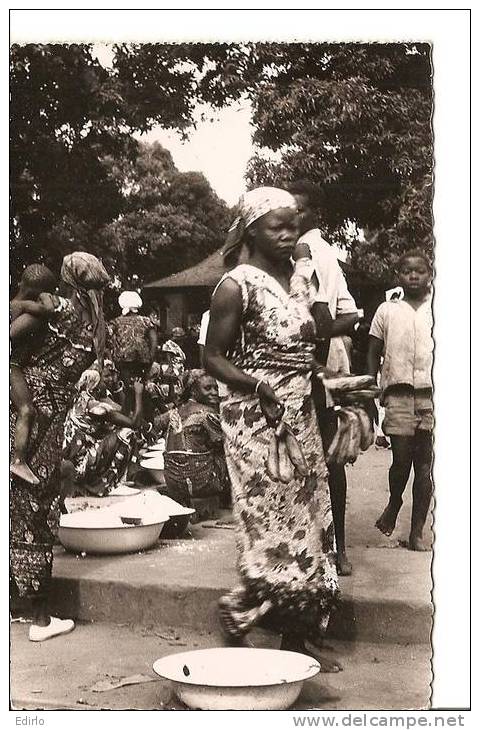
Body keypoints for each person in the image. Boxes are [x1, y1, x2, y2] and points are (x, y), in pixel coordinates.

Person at [204, 187, 341, 670]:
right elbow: (212, 357)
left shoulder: (298, 279)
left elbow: (311, 339)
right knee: (269, 523)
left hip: (298, 414)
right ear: (251, 231)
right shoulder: (235, 284)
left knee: (307, 520)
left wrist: (331, 383)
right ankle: (243, 612)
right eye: (275, 227)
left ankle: (297, 637)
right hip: (255, 423)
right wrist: (258, 384)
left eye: (292, 225)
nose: (286, 235)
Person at [10, 251, 110, 641]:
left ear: (66, 279)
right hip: (53, 418)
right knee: (38, 503)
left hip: (28, 405)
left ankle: (33, 610)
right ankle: (39, 615)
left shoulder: (57, 309)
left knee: (23, 501)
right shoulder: (102, 327)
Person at [289, 180, 359, 576]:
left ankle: (317, 548)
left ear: (311, 214)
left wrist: (315, 334)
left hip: (306, 370)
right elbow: (351, 315)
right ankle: (339, 550)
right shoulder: (329, 253)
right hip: (324, 368)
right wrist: (328, 331)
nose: (289, 220)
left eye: (296, 212)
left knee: (305, 460)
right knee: (330, 463)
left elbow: (320, 317)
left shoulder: (305, 252)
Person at [367, 249, 433, 551]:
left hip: (433, 395)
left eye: (420, 270)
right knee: (401, 460)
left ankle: (417, 530)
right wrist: (371, 387)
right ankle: (395, 501)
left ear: (430, 273)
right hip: (398, 393)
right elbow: (372, 350)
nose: (414, 276)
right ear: (399, 276)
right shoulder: (387, 310)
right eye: (408, 271)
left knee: (425, 465)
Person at [153, 369, 225, 536]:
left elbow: (156, 422)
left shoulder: (174, 412)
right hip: (202, 482)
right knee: (230, 449)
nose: (215, 392)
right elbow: (221, 443)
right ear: (193, 390)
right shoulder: (207, 413)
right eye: (208, 388)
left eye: (216, 388)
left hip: (172, 480)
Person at [63, 362, 143, 497]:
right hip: (82, 466)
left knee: (115, 431)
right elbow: (134, 423)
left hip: (74, 461)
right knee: (127, 433)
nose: (107, 382)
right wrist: (138, 394)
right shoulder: (95, 407)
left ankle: (105, 480)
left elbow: (122, 412)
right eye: (104, 379)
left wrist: (122, 391)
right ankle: (114, 484)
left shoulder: (78, 399)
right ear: (96, 385)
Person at [10, 264, 57, 484]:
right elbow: (48, 309)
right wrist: (47, 298)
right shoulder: (26, 305)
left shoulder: (12, 303)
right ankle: (18, 460)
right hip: (12, 364)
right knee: (27, 410)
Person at [109, 291, 158, 386]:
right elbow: (154, 340)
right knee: (140, 385)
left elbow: (109, 339)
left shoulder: (116, 322)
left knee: (126, 386)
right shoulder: (146, 321)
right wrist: (151, 357)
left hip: (123, 361)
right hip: (143, 361)